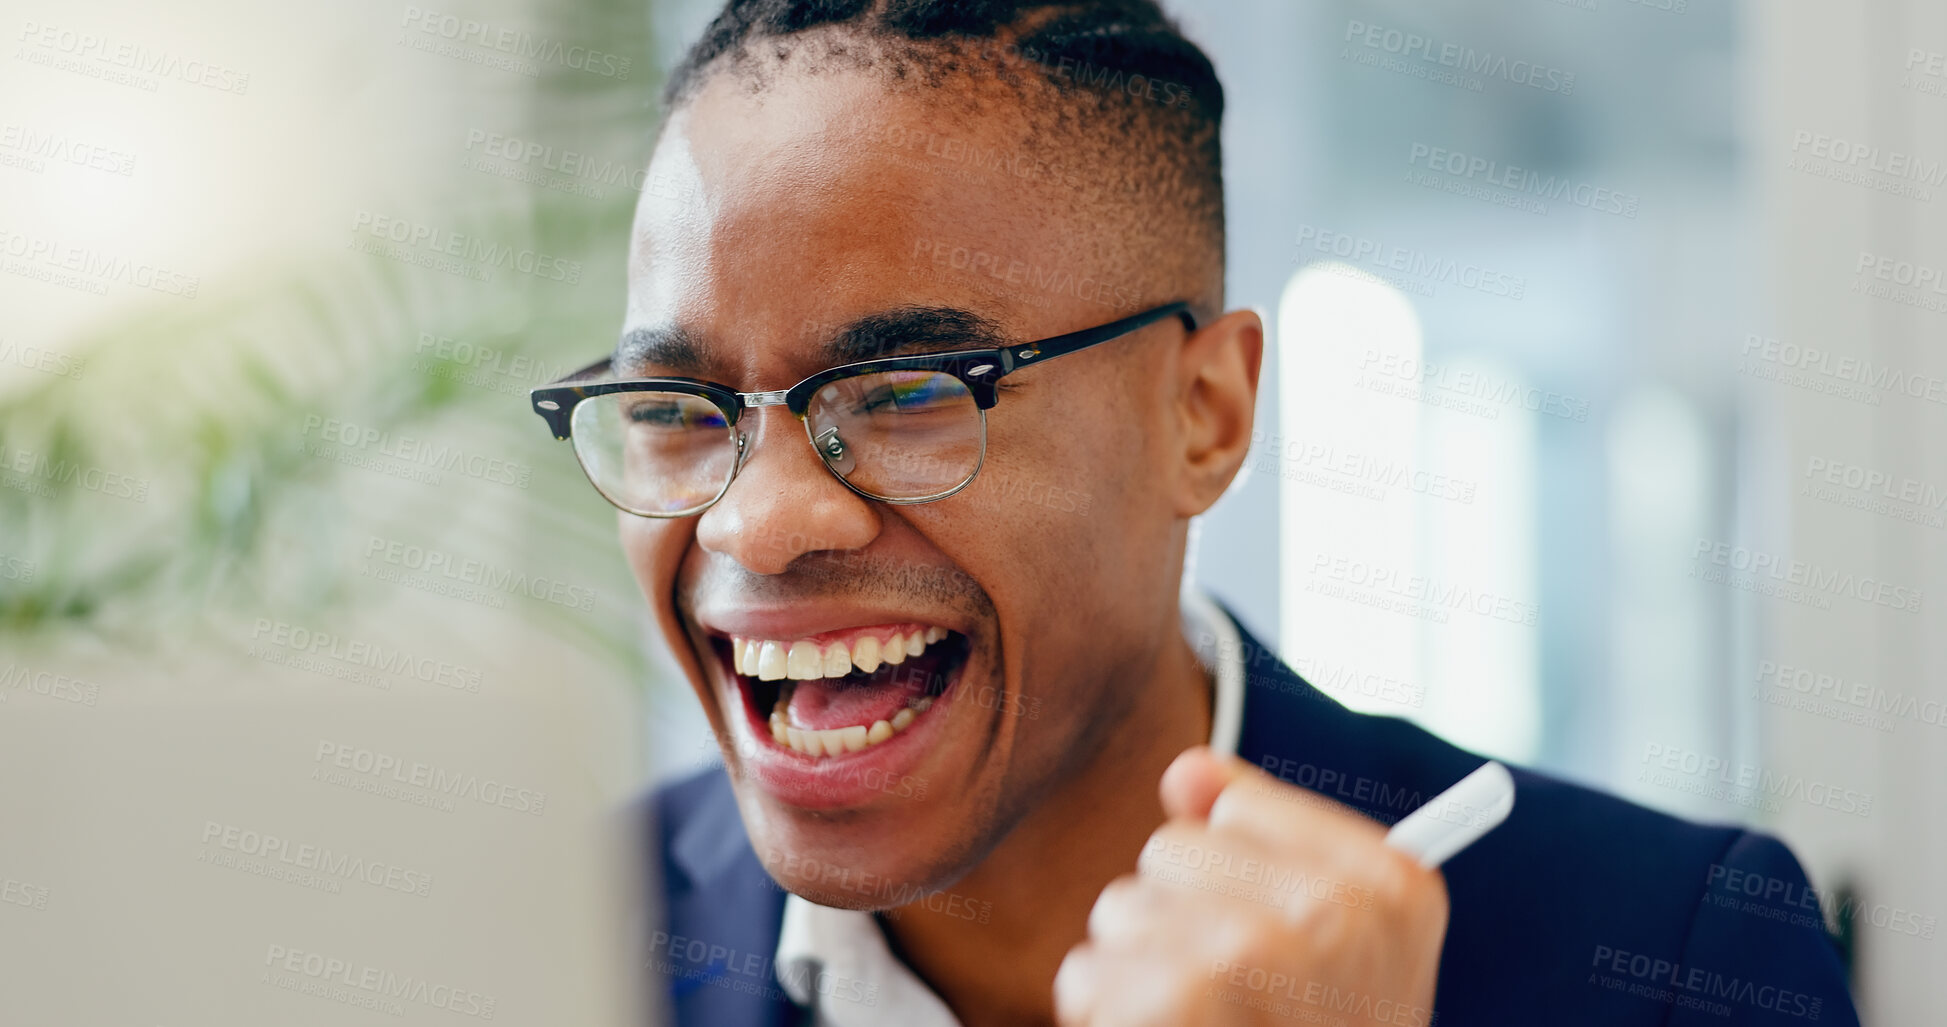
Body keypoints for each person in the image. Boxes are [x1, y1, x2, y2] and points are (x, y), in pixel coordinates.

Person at [526, 2, 1861, 1023]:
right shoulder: (561, 942)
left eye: (907, 393)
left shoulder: (1676, 955)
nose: (757, 526)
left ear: (1203, 415)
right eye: (674, 408)